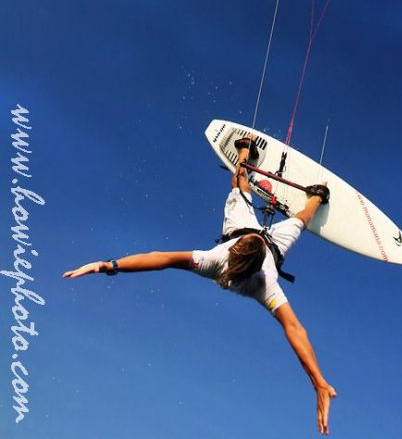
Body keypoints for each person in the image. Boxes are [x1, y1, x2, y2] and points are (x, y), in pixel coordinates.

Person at [63, 136, 337, 434]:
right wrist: (318, 381)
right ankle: (316, 197)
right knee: (298, 221)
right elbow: (295, 329)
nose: (259, 233)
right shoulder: (265, 283)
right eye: (256, 238)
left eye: (255, 239)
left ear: (240, 247)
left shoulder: (212, 259)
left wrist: (108, 266)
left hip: (238, 231)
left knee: (239, 187)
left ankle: (246, 153)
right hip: (271, 248)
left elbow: (161, 258)